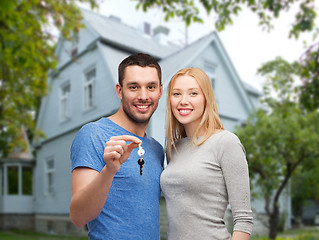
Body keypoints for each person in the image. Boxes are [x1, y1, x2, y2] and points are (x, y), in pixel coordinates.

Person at [69, 53, 164, 239]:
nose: (143, 96)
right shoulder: (93, 134)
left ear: (160, 91)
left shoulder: (157, 149)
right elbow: (78, 217)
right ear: (120, 91)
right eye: (134, 87)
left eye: (150, 87)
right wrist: (110, 170)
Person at [160, 67, 253, 240]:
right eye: (177, 94)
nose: (183, 101)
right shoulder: (174, 149)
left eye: (193, 93)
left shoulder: (226, 142)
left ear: (206, 98)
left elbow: (243, 220)